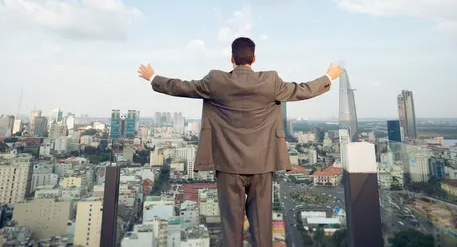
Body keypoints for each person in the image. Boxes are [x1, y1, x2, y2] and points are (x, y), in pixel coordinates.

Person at [138, 37, 342, 246]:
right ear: (254, 59)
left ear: (231, 59)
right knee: (262, 232)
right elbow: (303, 90)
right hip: (262, 166)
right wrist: (329, 77)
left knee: (231, 231)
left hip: (228, 166)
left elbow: (181, 87)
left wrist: (152, 77)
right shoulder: (270, 81)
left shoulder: (216, 81)